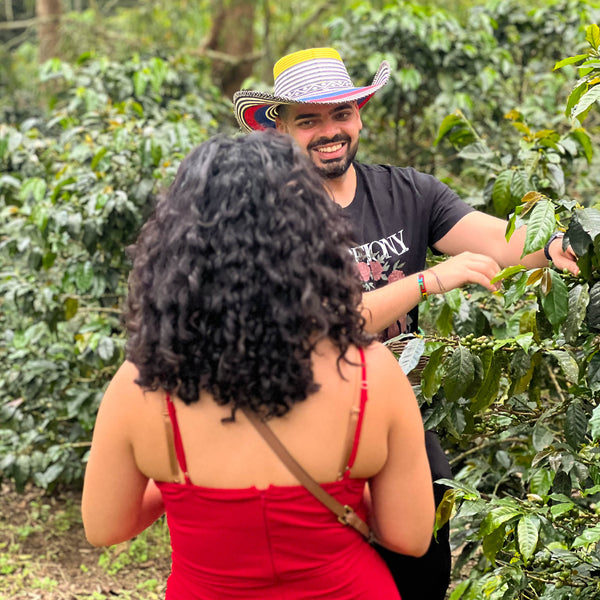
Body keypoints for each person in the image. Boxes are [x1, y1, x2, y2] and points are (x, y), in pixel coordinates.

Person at [232, 47, 580, 599]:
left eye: (340, 114)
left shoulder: (408, 192)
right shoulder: (262, 215)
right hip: (303, 435)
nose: (330, 131)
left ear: (360, 114)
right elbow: (314, 327)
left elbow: (500, 240)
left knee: (421, 570)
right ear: (279, 131)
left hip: (399, 424)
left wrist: (564, 243)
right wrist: (426, 282)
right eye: (309, 120)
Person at [81, 131, 435, 599]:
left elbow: (106, 526)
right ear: (314, 233)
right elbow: (409, 537)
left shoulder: (143, 382)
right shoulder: (372, 372)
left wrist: (190, 496)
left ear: (180, 242)